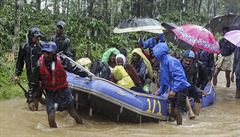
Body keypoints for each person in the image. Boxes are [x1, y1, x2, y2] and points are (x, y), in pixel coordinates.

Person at [32, 42, 92, 128]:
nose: (47, 55)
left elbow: (74, 69)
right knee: (51, 119)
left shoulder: (62, 60)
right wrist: (33, 98)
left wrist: (86, 74)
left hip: (63, 90)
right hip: (50, 93)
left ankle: (82, 126)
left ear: (54, 54)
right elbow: (36, 83)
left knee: (73, 113)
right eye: (45, 53)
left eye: (49, 53)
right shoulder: (39, 65)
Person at [153, 43, 200, 125]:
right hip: (173, 87)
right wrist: (160, 91)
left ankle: (180, 127)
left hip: (181, 88)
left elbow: (180, 78)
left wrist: (174, 90)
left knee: (176, 110)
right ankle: (176, 125)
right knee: (171, 110)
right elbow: (165, 80)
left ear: (158, 53)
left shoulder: (171, 61)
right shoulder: (163, 63)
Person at [14, 27, 44, 111]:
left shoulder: (43, 46)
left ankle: (38, 100)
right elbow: (20, 62)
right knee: (34, 99)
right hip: (31, 75)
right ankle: (36, 101)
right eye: (36, 37)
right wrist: (17, 74)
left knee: (37, 95)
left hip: (42, 76)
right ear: (31, 36)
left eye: (39, 37)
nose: (38, 38)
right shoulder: (24, 47)